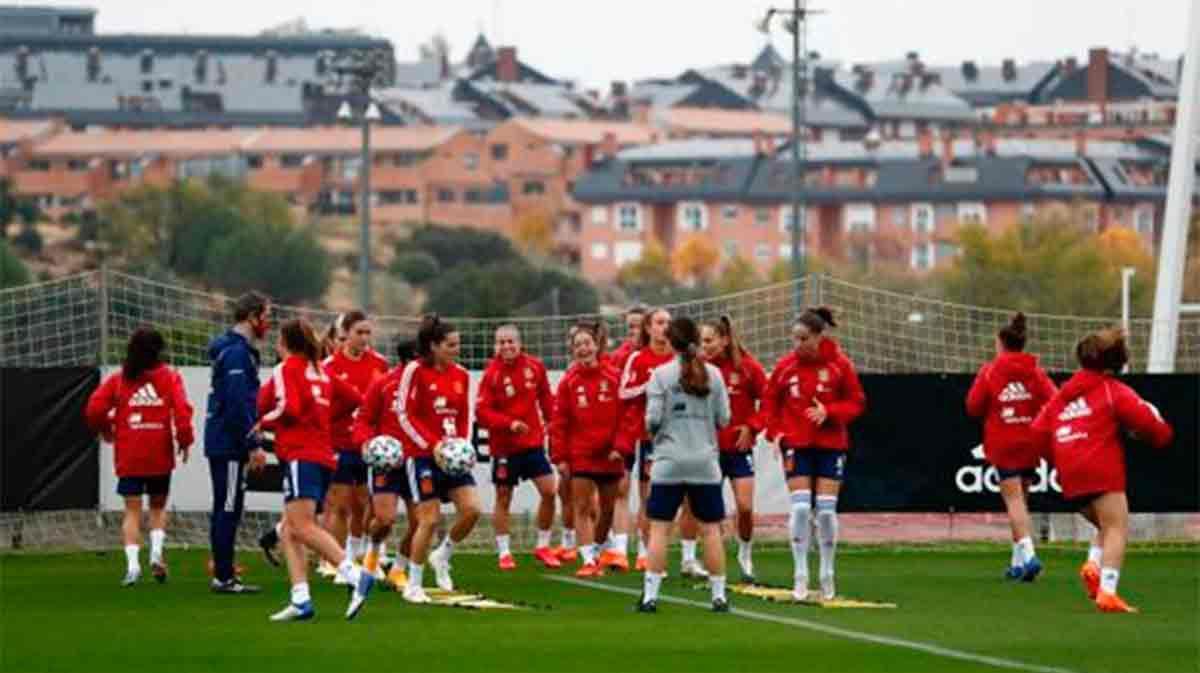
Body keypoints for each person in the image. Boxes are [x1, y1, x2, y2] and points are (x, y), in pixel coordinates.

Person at [1032, 328, 1173, 613]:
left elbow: (1038, 433)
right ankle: (1107, 591)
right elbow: (1150, 426)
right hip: (1101, 469)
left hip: (1070, 475)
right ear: (1117, 363)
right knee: (1118, 528)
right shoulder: (1113, 391)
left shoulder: (1061, 397)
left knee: (1106, 527)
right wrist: (1161, 431)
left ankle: (1094, 565)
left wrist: (1062, 455)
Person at [257, 319, 375, 621]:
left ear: (283, 342)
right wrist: (321, 419)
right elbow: (354, 400)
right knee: (288, 529)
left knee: (303, 526)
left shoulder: (288, 368)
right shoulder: (322, 370)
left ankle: (354, 573)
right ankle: (301, 599)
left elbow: (288, 408)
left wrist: (261, 424)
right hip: (324, 456)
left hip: (301, 454)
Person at [763, 307, 866, 602]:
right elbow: (769, 402)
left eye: (803, 338)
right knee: (798, 509)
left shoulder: (840, 366)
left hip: (831, 445)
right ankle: (800, 575)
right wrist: (774, 432)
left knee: (825, 511)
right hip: (796, 444)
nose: (797, 344)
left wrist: (830, 412)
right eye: (794, 338)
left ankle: (827, 573)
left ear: (820, 337)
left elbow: (857, 402)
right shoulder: (785, 367)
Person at [85, 327, 193, 586]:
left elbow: (93, 409)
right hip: (159, 453)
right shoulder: (169, 377)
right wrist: (185, 440)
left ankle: (132, 567)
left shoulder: (120, 379)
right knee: (157, 508)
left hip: (130, 454)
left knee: (131, 511)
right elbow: (182, 411)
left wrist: (106, 430)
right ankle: (156, 555)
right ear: (158, 350)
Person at [639, 317, 732, 613]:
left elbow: (651, 420)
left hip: (669, 461)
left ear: (670, 341)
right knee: (711, 530)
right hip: (705, 462)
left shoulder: (661, 375)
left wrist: (660, 432)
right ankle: (718, 597)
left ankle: (650, 597)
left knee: (659, 530)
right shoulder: (715, 375)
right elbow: (724, 419)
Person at [396, 315, 482, 604]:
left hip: (453, 456)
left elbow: (466, 417)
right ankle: (414, 583)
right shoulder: (414, 371)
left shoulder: (462, 375)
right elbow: (404, 414)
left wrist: (463, 447)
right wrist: (432, 446)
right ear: (433, 346)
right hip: (422, 456)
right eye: (450, 345)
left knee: (471, 510)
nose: (456, 349)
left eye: (458, 344)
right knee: (429, 520)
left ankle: (442, 555)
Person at [966, 312, 1058, 581]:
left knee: (1014, 501)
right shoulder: (1035, 372)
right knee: (1022, 502)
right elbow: (1054, 400)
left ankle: (1029, 556)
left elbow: (973, 406)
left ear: (1000, 344)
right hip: (1030, 441)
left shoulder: (990, 371)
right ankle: (1017, 563)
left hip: (1004, 443)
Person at [476, 325, 561, 570]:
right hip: (504, 447)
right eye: (501, 343)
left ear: (519, 343)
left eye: (510, 342)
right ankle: (504, 552)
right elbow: (482, 412)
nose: (506, 347)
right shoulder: (491, 373)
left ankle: (543, 546)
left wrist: (552, 425)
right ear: (495, 346)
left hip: (532, 444)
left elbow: (546, 399)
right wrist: (509, 423)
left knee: (549, 490)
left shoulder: (535, 366)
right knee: (504, 497)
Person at [203, 291, 271, 594]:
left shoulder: (237, 350)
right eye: (266, 316)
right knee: (228, 508)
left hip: (227, 442)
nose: (268, 323)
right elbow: (237, 404)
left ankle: (225, 572)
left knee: (227, 506)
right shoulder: (236, 354)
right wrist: (253, 444)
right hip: (228, 444)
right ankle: (224, 576)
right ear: (252, 316)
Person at [550, 321, 624, 578]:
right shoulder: (568, 383)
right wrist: (559, 457)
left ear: (596, 346)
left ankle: (600, 548)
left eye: (587, 343)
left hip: (610, 455)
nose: (583, 348)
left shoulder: (614, 377)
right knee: (581, 507)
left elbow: (626, 417)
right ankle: (588, 559)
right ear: (572, 351)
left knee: (607, 510)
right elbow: (558, 422)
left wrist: (620, 447)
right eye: (577, 345)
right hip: (580, 455)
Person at [700, 316, 768, 583]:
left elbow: (770, 402)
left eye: (709, 340)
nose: (704, 346)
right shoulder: (700, 369)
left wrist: (752, 426)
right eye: (701, 341)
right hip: (708, 451)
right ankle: (709, 562)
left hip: (740, 450)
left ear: (725, 340)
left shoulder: (749, 368)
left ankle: (745, 553)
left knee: (745, 507)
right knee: (708, 510)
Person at [323, 311, 388, 582]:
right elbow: (324, 406)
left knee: (364, 504)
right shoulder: (329, 365)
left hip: (368, 444)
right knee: (339, 504)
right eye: (358, 332)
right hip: (338, 442)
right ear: (346, 333)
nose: (363, 338)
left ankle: (357, 556)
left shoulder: (380, 364)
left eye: (367, 333)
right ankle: (337, 562)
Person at [352, 339, 419, 588]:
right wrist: (368, 443)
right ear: (408, 360)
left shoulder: (427, 386)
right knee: (385, 519)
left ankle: (399, 569)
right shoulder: (383, 384)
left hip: (417, 462)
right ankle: (372, 553)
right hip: (387, 463)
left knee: (421, 522)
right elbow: (363, 419)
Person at [615, 308, 677, 573]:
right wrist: (650, 385)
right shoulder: (638, 358)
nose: (665, 327)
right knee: (626, 489)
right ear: (649, 328)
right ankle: (620, 550)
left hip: (666, 436)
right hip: (639, 434)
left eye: (668, 323)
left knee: (651, 496)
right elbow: (624, 391)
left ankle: (645, 551)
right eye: (660, 322)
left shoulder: (678, 359)